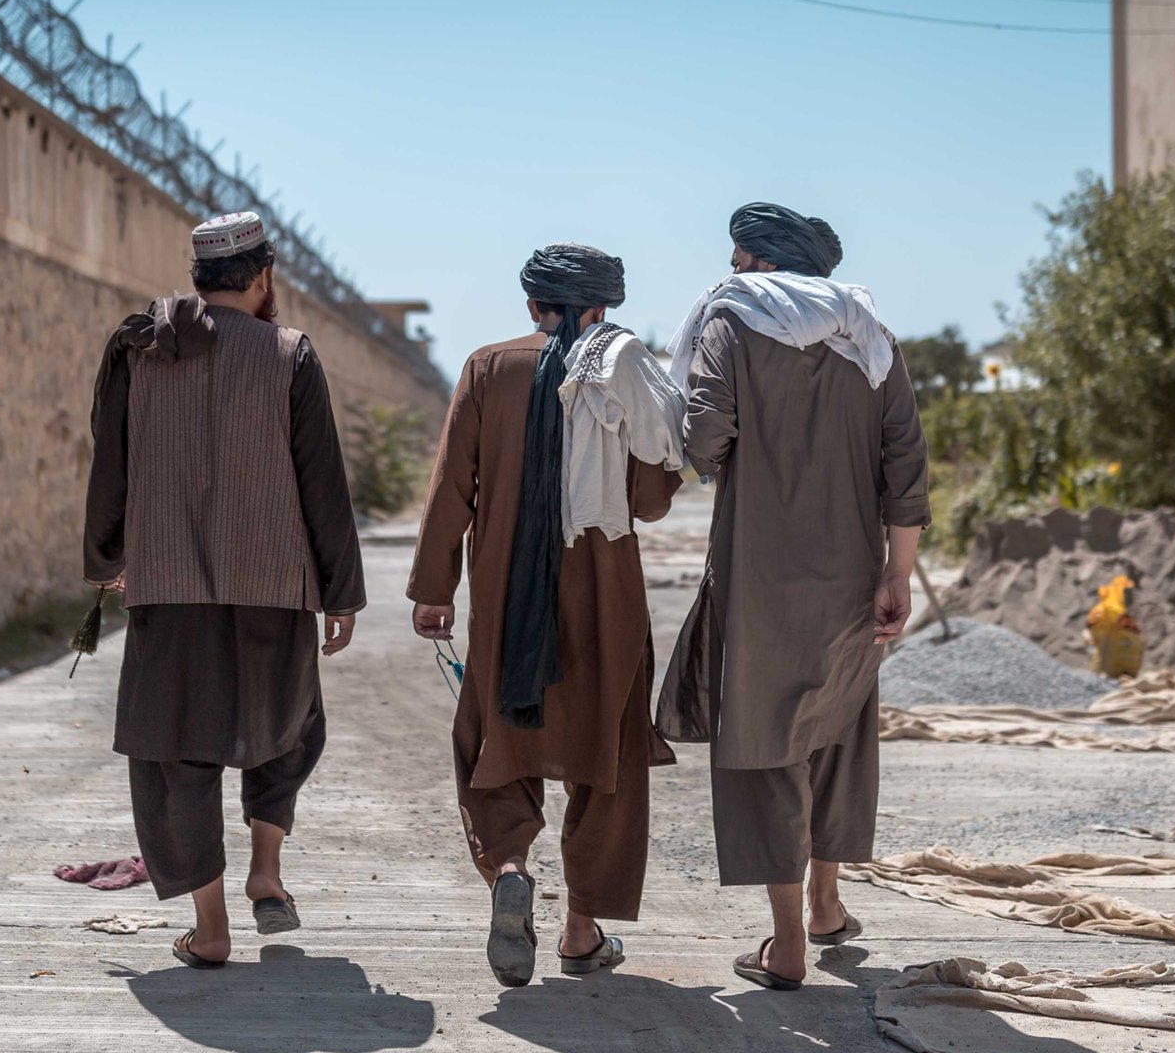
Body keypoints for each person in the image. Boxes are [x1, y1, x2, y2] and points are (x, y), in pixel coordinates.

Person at [82, 211, 365, 969]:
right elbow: (322, 483)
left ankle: (210, 929)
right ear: (265, 277)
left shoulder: (140, 346)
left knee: (177, 750)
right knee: (289, 722)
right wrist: (340, 592)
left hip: (167, 584)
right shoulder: (290, 354)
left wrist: (107, 555)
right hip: (274, 582)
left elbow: (109, 459)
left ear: (201, 276)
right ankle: (266, 871)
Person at [658, 202, 929, 992]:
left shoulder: (729, 323)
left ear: (756, 260)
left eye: (739, 260)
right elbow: (905, 462)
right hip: (851, 572)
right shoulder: (870, 336)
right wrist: (897, 572)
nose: (731, 272)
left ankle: (784, 946)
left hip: (760, 574)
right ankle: (826, 903)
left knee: (764, 740)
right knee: (836, 728)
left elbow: (704, 436)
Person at [407, 243, 684, 987]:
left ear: (533, 304)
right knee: (607, 745)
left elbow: (451, 488)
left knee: (497, 730)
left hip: (504, 592)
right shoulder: (625, 369)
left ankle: (510, 866)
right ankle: (580, 930)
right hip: (604, 588)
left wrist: (435, 589)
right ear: (604, 308)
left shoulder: (487, 367)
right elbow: (653, 501)